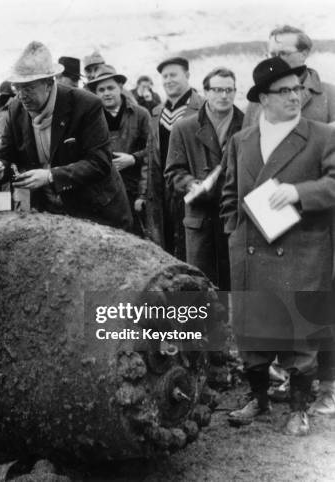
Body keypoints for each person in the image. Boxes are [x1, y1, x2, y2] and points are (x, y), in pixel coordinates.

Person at [221, 57, 335, 435]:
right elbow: (228, 192)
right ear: (263, 99)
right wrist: (233, 232)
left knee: (299, 336)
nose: (295, 96)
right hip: (251, 249)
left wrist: (298, 192)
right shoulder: (241, 140)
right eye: (284, 91)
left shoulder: (322, 135)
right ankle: (258, 398)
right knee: (252, 334)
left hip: (301, 252)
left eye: (298, 89)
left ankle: (299, 408)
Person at [0, 41, 133, 232]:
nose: (21, 96)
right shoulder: (15, 108)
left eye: (28, 88)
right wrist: (0, 168)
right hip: (51, 215)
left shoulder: (86, 104)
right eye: (17, 88)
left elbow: (100, 162)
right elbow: (8, 157)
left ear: (49, 83)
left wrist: (50, 176)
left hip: (97, 212)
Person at [164, 67, 243, 289]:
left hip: (234, 220)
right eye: (217, 90)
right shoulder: (184, 127)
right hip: (200, 221)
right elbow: (172, 173)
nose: (224, 96)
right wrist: (191, 183)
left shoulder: (247, 125)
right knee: (201, 287)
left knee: (234, 285)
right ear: (206, 92)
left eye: (229, 90)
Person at [143, 56, 204, 256]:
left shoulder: (202, 107)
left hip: (191, 187)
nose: (168, 80)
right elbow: (150, 157)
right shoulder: (157, 112)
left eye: (173, 75)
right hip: (163, 192)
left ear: (187, 75)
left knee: (194, 249)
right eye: (165, 76)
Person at [86, 64, 152, 237]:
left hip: (134, 189)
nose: (106, 93)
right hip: (104, 193)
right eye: (101, 89)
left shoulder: (140, 115)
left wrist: (133, 159)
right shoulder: (90, 118)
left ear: (121, 88)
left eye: (111, 88)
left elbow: (153, 152)